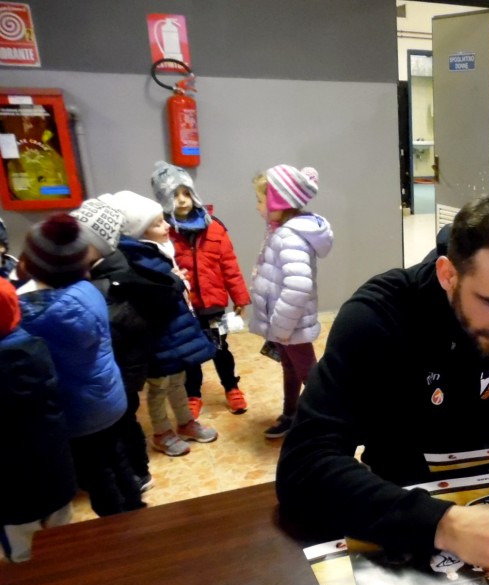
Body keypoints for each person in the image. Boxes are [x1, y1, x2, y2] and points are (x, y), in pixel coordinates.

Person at [277, 190, 489, 570]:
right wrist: (444, 524)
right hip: (402, 500)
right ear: (448, 274)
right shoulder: (378, 317)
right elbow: (303, 467)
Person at [15, 214, 143, 517]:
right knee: (118, 458)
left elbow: (21, 324)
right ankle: (137, 510)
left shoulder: (38, 315)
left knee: (97, 475)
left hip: (79, 414)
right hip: (109, 400)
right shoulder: (91, 291)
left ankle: (115, 526)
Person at [72, 197, 181, 491]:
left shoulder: (113, 279)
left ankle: (138, 474)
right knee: (124, 420)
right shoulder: (109, 270)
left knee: (123, 422)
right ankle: (135, 471)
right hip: (120, 368)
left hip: (123, 367)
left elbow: (121, 324)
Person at [102, 190, 218, 457]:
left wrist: (175, 279)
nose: (167, 225)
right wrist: (174, 281)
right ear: (139, 230)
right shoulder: (137, 259)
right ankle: (162, 432)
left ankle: (186, 421)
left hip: (172, 332)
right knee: (159, 387)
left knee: (178, 380)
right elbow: (153, 294)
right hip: (158, 336)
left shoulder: (157, 250)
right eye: (157, 223)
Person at [151, 161, 251, 417]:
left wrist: (239, 297)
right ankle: (193, 394)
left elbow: (229, 265)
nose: (182, 200)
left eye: (185, 193)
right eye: (174, 195)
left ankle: (231, 386)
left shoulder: (214, 227)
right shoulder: (162, 231)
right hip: (185, 308)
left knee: (220, 348)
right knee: (191, 353)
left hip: (215, 305)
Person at [249, 164, 333, 438]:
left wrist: (281, 326)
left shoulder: (289, 236)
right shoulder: (279, 230)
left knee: (311, 375)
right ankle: (292, 413)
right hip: (284, 326)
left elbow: (298, 286)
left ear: (278, 202)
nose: (258, 207)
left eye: (261, 200)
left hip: (289, 325)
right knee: (291, 368)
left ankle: (330, 420)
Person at [0, 278, 77, 562]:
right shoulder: (38, 349)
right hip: (56, 471)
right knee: (63, 541)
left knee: (22, 554)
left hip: (11, 491)